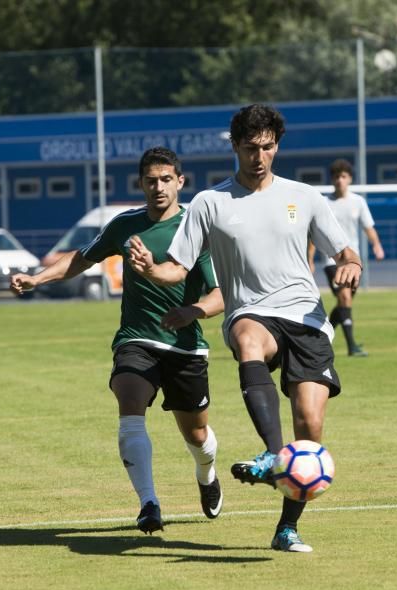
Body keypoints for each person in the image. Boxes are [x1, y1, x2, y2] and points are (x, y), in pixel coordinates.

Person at [128, 104, 361, 553]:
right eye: (251, 147)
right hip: (251, 310)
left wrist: (352, 267)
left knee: (310, 427)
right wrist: (153, 271)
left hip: (306, 317)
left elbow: (346, 253)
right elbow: (177, 267)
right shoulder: (210, 203)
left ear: (277, 146)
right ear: (235, 145)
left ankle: (286, 528)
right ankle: (274, 453)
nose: (260, 156)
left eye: (268, 147)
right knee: (248, 337)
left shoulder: (305, 196)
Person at [10, 147, 224, 535]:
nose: (158, 187)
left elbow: (221, 294)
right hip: (136, 339)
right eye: (150, 180)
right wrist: (37, 279)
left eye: (165, 179)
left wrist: (192, 311)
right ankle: (148, 503)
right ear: (140, 184)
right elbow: (83, 258)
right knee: (129, 403)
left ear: (180, 181)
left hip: (185, 346)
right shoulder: (124, 225)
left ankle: (206, 475)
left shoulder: (198, 228)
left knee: (197, 436)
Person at [308, 158, 385, 357]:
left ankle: (319, 338)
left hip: (353, 261)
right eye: (336, 177)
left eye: (343, 176)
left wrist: (376, 245)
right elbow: (314, 234)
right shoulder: (324, 203)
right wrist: (309, 260)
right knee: (344, 296)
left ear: (349, 178)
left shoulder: (358, 202)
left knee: (344, 303)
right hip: (331, 261)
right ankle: (351, 347)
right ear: (332, 179)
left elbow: (369, 227)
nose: (340, 180)